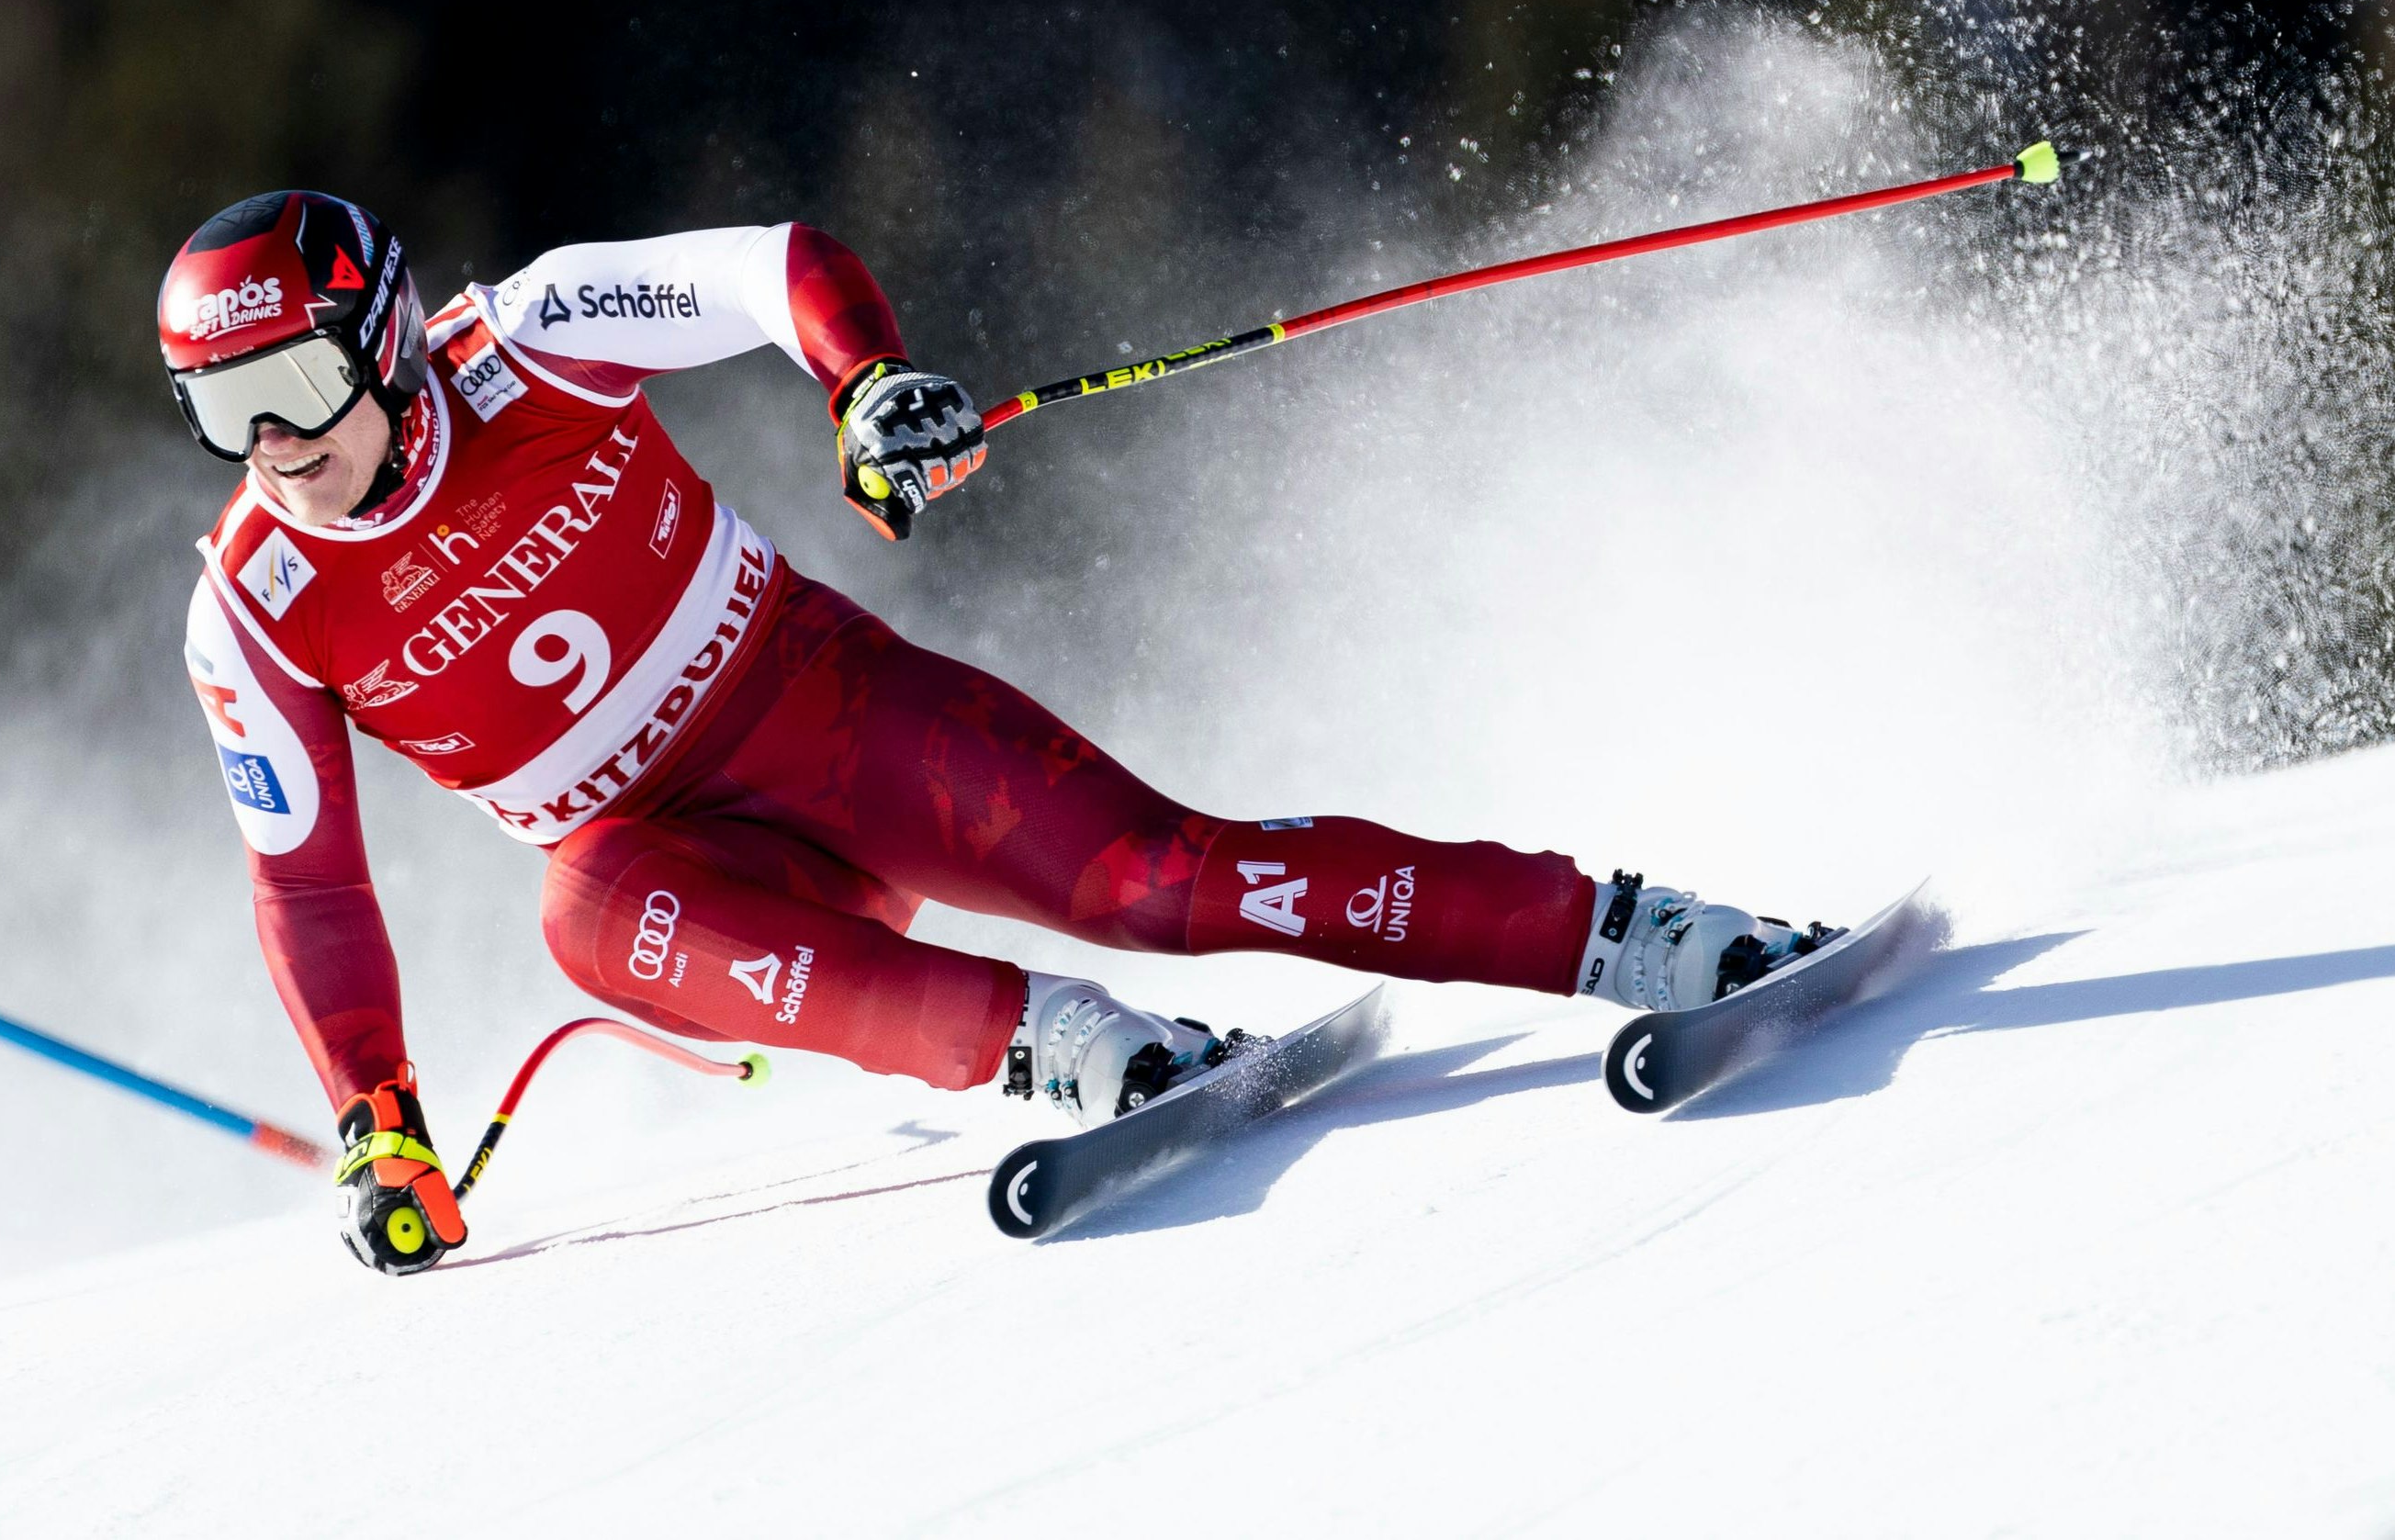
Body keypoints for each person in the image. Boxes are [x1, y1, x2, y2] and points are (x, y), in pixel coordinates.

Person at [163, 190, 1801, 1275]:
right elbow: (307, 885)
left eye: (293, 384)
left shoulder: (530, 336)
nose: (272, 446)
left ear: (379, 333)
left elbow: (763, 267)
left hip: (819, 708)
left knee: (1164, 877)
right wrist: (377, 1115)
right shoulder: (254, 601)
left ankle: (1647, 936)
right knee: (581, 914)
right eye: (221, 413)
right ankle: (1079, 1048)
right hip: (689, 873)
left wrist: (865, 385)